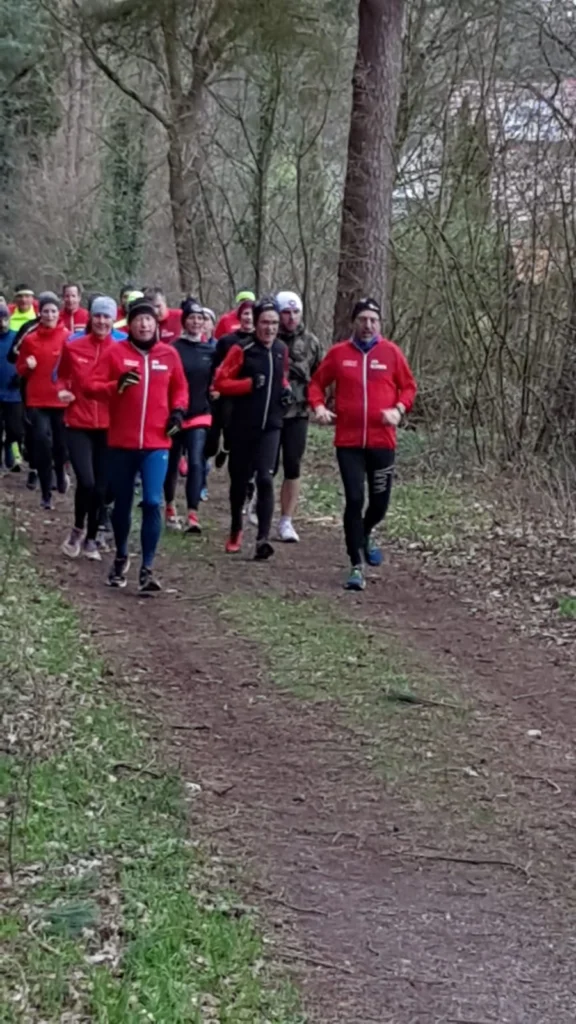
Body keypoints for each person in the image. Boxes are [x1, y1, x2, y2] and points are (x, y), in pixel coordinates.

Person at [308, 297, 417, 592]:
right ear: (353, 323)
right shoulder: (339, 354)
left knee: (379, 505)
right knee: (355, 499)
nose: (367, 325)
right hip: (349, 442)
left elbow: (409, 387)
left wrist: (399, 409)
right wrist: (318, 407)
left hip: (383, 441)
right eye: (362, 320)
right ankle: (356, 564)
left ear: (379, 323)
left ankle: (364, 534)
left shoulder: (391, 353)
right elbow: (316, 384)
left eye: (373, 320)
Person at [82, 298, 188, 592]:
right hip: (121, 443)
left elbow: (180, 388)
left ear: (156, 324)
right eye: (138, 320)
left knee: (153, 501)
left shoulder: (169, 355)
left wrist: (178, 411)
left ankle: (148, 568)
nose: (144, 324)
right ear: (129, 324)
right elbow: (90, 387)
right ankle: (121, 555)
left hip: (156, 443)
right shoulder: (116, 353)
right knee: (123, 505)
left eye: (149, 320)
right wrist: (115, 387)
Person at [213, 297, 292, 559]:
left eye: (274, 323)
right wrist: (247, 385)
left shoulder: (281, 349)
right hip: (242, 426)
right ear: (255, 324)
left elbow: (282, 376)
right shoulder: (242, 350)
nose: (270, 328)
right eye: (265, 323)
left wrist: (286, 391)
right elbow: (221, 382)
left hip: (271, 426)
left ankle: (262, 540)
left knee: (266, 479)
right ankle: (236, 527)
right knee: (239, 481)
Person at [57, 297, 118, 561]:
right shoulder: (74, 346)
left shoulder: (120, 349)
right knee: (88, 481)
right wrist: (62, 391)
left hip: (109, 425)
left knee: (102, 487)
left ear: (113, 319)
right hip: (78, 422)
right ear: (90, 318)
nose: (102, 321)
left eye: (107, 317)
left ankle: (93, 538)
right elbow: (61, 376)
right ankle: (77, 528)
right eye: (98, 316)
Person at [164, 298, 215, 533]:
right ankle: (170, 506)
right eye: (192, 318)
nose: (197, 322)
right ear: (184, 321)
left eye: (201, 318)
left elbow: (218, 379)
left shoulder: (211, 350)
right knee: (172, 462)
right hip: (174, 415)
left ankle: (193, 514)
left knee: (196, 462)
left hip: (200, 414)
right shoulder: (173, 349)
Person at [275, 290, 323, 543]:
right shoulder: (267, 336)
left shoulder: (312, 342)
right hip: (270, 412)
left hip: (298, 412)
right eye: (286, 312)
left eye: (295, 312)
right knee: (266, 467)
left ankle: (286, 521)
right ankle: (256, 505)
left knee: (293, 465)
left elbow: (320, 377)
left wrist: (319, 405)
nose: (291, 317)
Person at [15, 292, 70, 509]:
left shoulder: (68, 337)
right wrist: (26, 366)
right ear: (40, 313)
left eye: (53, 311)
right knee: (41, 444)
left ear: (59, 313)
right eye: (46, 311)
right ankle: (46, 492)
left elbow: (75, 368)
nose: (49, 315)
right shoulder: (30, 339)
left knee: (60, 445)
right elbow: (19, 368)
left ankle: (60, 474)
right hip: (37, 400)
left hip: (61, 399)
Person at [206, 299, 255, 470]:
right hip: (224, 391)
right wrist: (214, 387)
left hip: (248, 395)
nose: (249, 318)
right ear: (239, 316)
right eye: (245, 313)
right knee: (221, 426)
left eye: (252, 314)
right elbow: (215, 366)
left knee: (235, 433)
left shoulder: (261, 342)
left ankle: (227, 449)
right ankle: (218, 449)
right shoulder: (227, 341)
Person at [0, 303, 24, 473]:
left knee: (15, 430)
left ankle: (10, 447)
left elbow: (27, 358)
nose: (1, 322)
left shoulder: (17, 338)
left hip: (14, 392)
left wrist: (21, 376)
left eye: (4, 318)